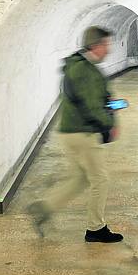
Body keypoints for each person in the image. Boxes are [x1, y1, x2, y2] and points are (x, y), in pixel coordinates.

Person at [28, 26, 123, 243]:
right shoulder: (85, 71)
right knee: (101, 179)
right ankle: (96, 229)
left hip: (69, 132)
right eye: (106, 45)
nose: (108, 50)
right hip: (83, 133)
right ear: (96, 45)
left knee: (80, 178)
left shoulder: (77, 65)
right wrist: (109, 124)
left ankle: (44, 209)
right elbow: (91, 106)